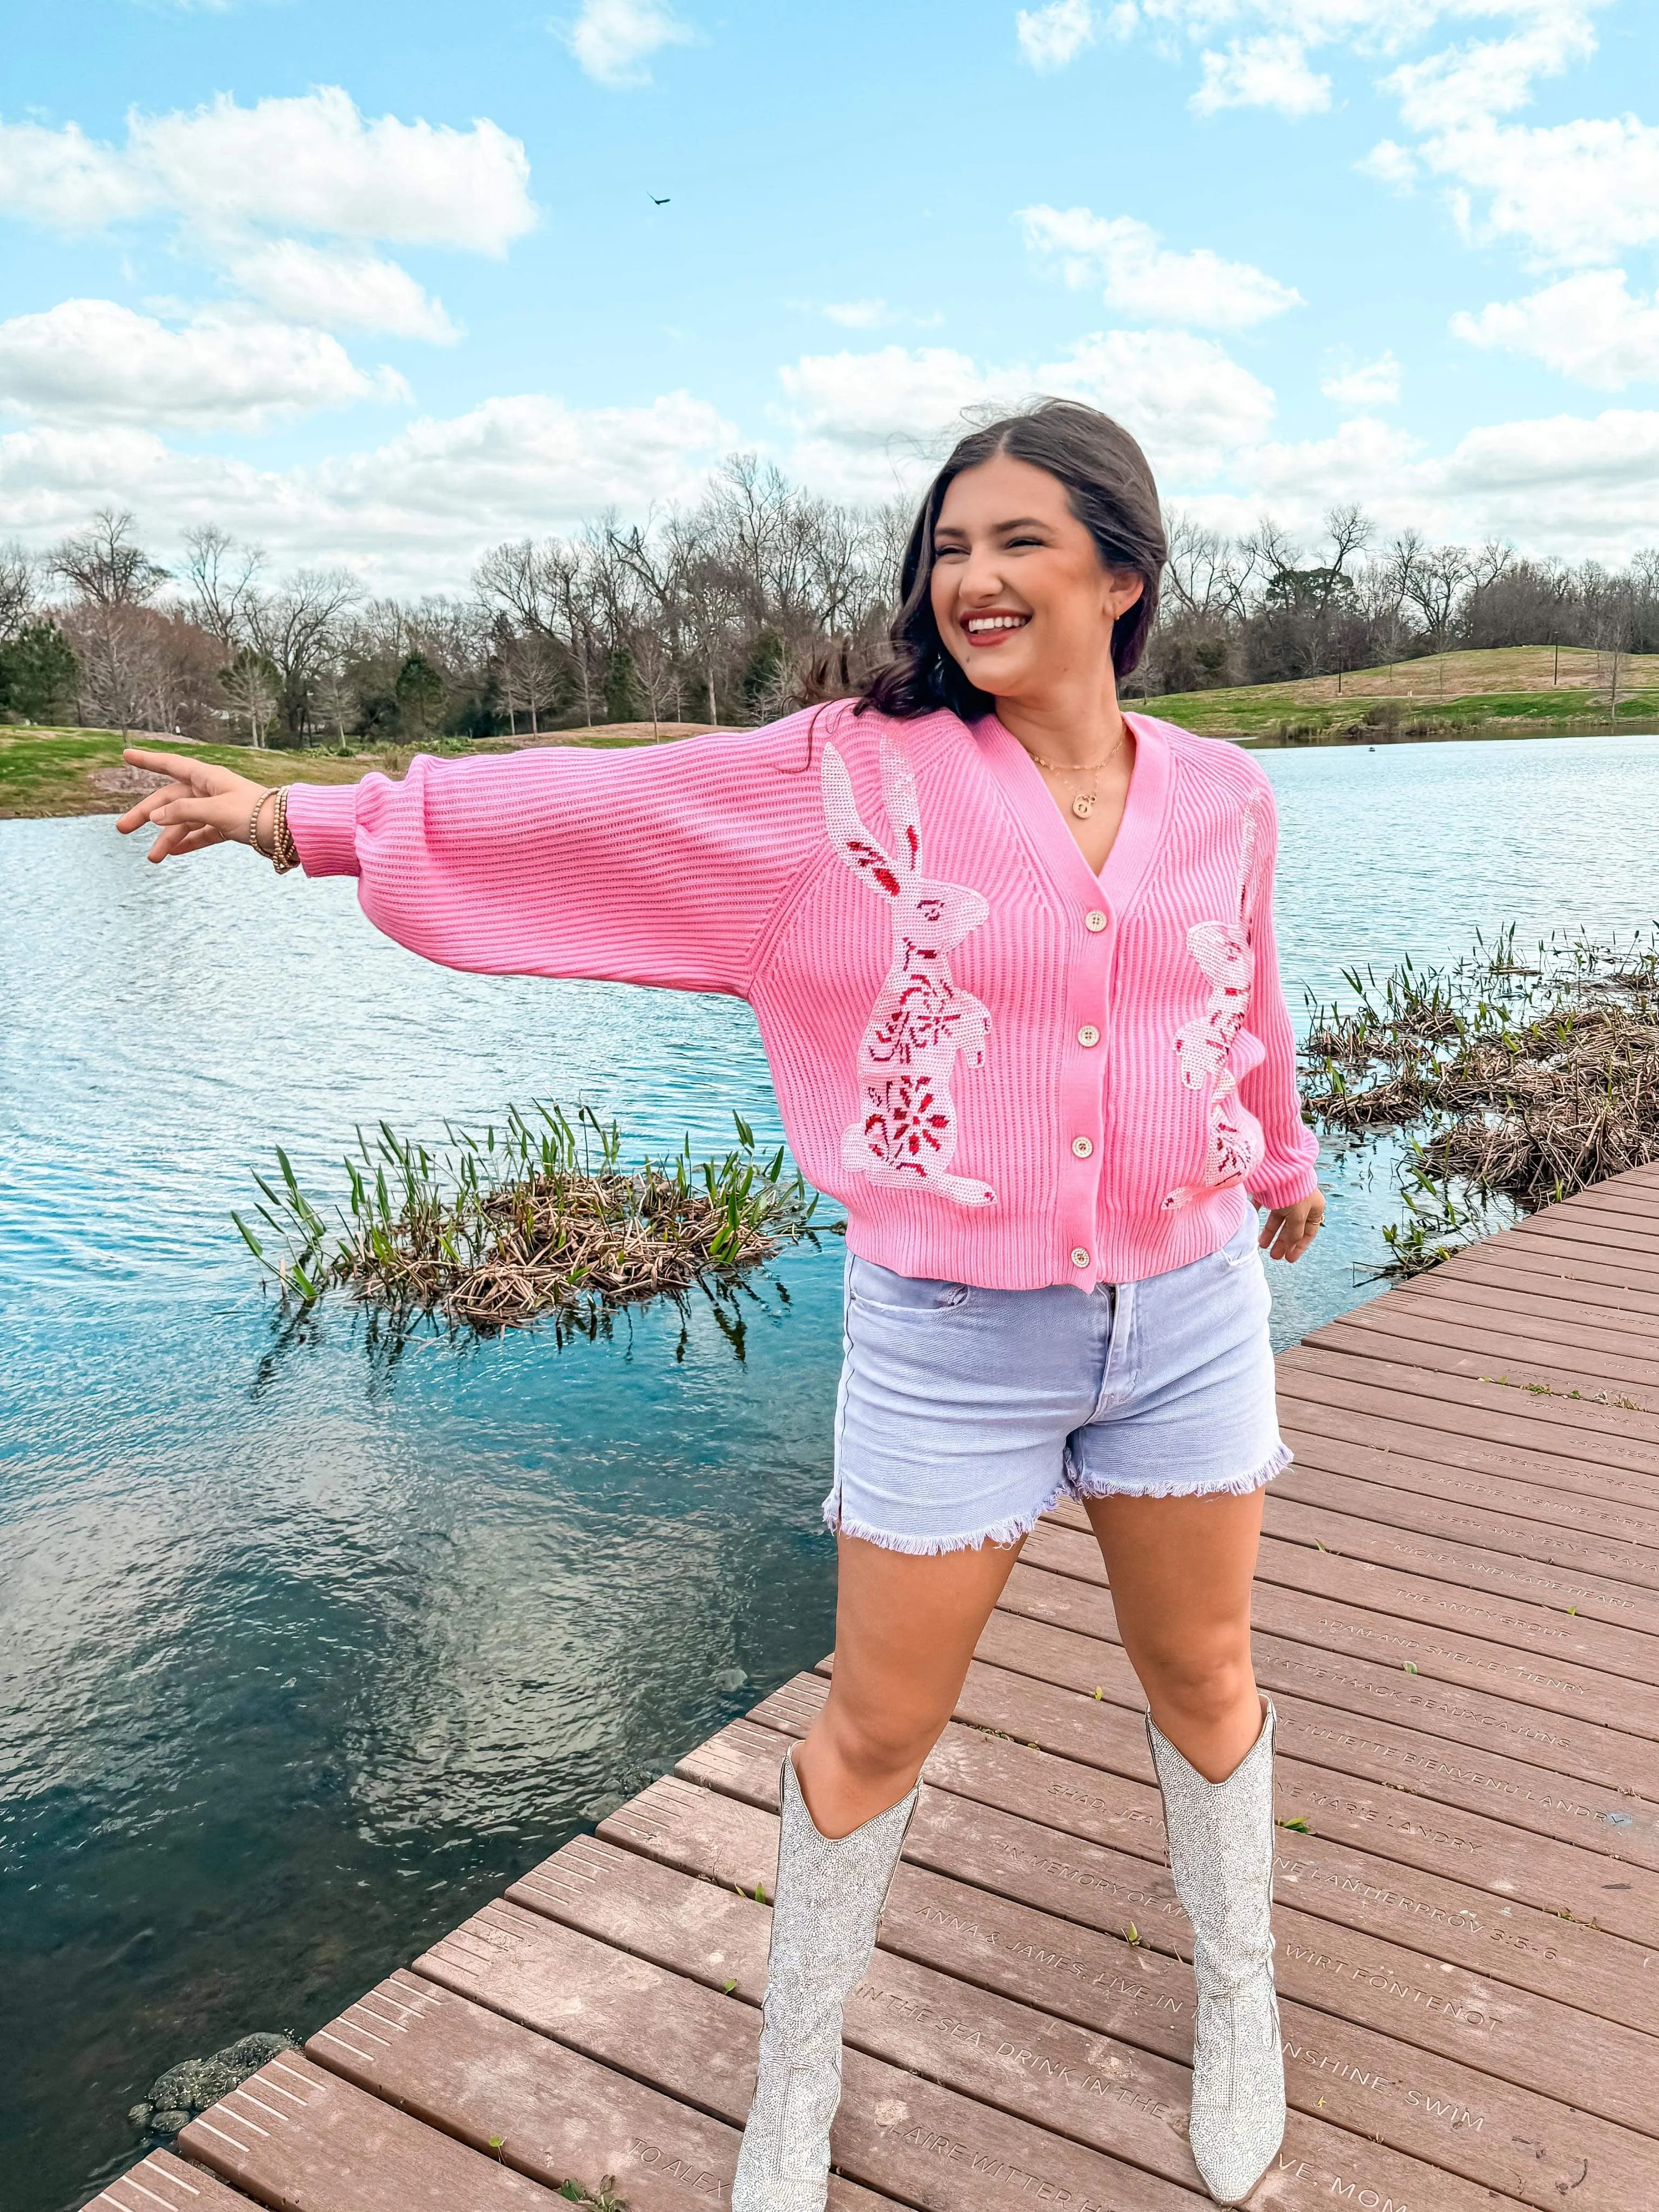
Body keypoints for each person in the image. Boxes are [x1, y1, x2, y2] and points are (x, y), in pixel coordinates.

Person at [119, 399, 1324, 2210]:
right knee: (878, 1724)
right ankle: (794, 2078)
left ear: (1124, 573)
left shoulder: (1227, 788)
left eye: (1017, 542)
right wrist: (309, 821)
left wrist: (1282, 1161)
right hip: (953, 1335)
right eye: (949, 548)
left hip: (1190, 1311)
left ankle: (1243, 2016)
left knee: (1206, 1680)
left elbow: (1241, 997)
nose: (972, 577)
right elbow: (596, 808)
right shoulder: (850, 783)